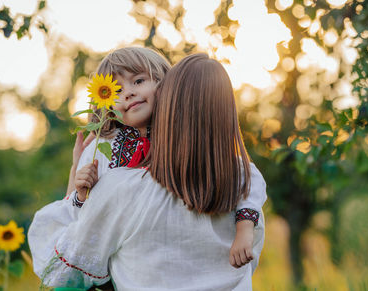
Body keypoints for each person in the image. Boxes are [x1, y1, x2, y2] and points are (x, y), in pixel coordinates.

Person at [28, 53, 267, 290]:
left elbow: (71, 259)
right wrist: (79, 187)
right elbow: (248, 258)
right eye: (116, 91)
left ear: (165, 86)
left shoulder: (127, 186)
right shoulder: (105, 151)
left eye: (139, 81)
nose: (128, 93)